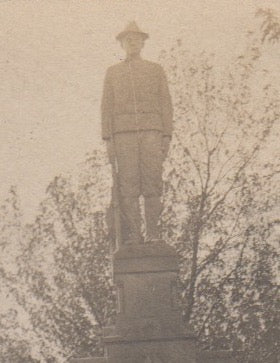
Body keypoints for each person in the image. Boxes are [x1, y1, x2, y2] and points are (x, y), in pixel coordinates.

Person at [101, 21, 173, 245]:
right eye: (128, 39)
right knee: (128, 187)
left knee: (152, 183)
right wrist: (108, 140)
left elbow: (166, 104)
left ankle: (153, 234)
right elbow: (106, 107)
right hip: (123, 135)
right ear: (122, 44)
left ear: (143, 42)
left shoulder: (155, 70)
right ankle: (134, 235)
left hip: (152, 132)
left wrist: (166, 135)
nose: (133, 42)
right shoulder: (113, 73)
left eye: (137, 38)